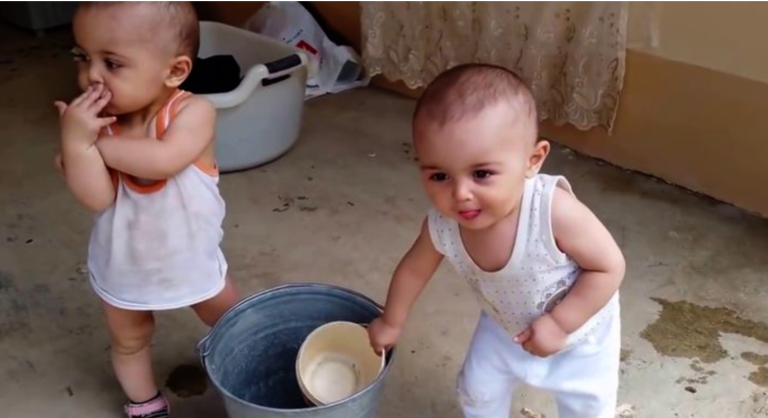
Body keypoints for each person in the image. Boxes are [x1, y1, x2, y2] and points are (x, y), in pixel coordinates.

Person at [368, 64, 625, 418]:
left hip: (581, 334)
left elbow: (609, 267)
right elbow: (413, 270)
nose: (460, 194)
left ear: (532, 160)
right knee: (478, 390)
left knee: (588, 407)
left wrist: (561, 322)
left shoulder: (552, 211)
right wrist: (392, 321)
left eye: (482, 173)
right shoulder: (444, 225)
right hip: (505, 325)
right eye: (440, 175)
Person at [54, 3, 238, 417]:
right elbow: (97, 198)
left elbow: (163, 159)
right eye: (83, 57)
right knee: (130, 341)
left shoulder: (193, 112)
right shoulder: (101, 123)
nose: (91, 76)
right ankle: (146, 403)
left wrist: (87, 144)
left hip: (192, 259)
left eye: (112, 63)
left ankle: (251, 362)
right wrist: (76, 151)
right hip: (123, 266)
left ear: (174, 71)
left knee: (232, 320)